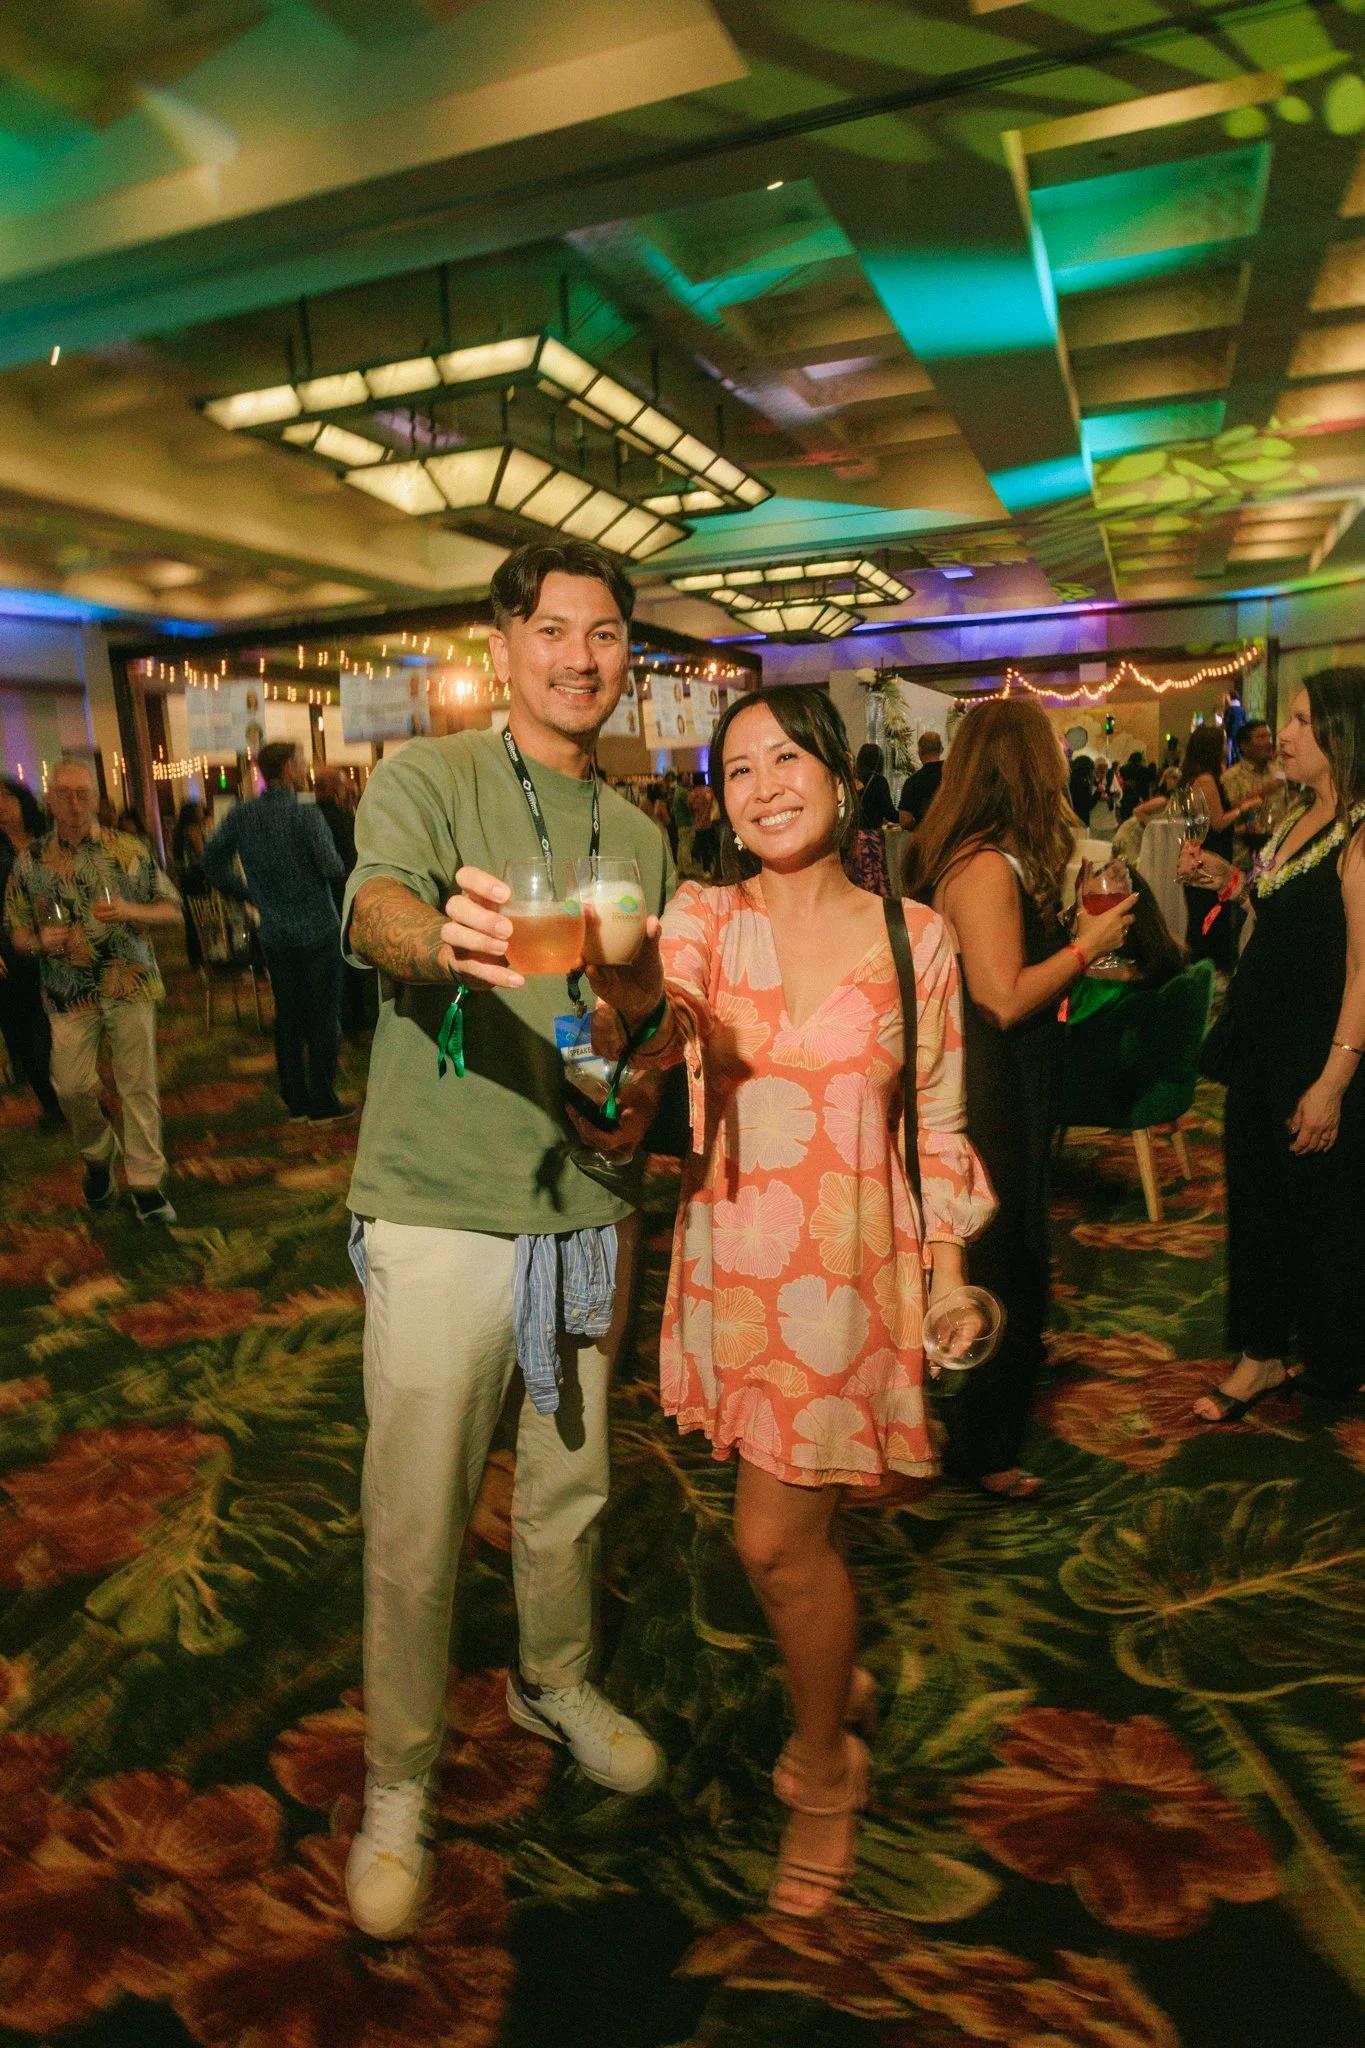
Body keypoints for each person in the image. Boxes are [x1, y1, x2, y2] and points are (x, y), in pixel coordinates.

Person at [588, 683, 994, 1916]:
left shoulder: (913, 934)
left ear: (841, 773)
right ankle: (838, 1683)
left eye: (788, 759)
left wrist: (951, 1275)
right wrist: (630, 996)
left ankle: (825, 1763)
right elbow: (669, 1026)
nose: (763, 785)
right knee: (796, 1538)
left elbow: (938, 1118)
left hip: (851, 1280)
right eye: (739, 768)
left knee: (773, 1541)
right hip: (735, 1269)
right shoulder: (706, 915)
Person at [340, 540, 674, 1942]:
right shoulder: (431, 779)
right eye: (554, 631)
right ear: (506, 639)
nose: (582, 658)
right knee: (416, 1521)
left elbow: (636, 1026)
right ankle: (398, 1782)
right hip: (437, 1204)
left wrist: (632, 1060)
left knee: (571, 1489)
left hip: (584, 1204)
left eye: (605, 636)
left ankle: (554, 1677)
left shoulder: (644, 832)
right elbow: (372, 912)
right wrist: (445, 947)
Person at [905, 700, 1135, 1499]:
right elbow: (1000, 998)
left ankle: (972, 1430)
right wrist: (1085, 947)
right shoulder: (982, 866)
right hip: (989, 1083)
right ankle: (981, 1447)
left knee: (1007, 1248)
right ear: (1028, 768)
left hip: (1002, 1075)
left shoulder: (983, 858)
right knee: (1005, 1255)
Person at [1181, 672, 1365, 1414]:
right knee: (1257, 1206)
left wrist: (1331, 1082)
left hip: (1315, 1055)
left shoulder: (1358, 833)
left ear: (1340, 733)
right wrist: (1229, 879)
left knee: (1318, 1216)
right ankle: (1260, 1353)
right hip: (1262, 1045)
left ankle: (1328, 1359)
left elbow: (1361, 969)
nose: (1279, 734)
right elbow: (1277, 908)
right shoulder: (1298, 812)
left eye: (1297, 721)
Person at [3, 755, 182, 1221]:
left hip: (130, 981)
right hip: (67, 989)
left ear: (98, 800)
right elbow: (17, 931)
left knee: (137, 1087)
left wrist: (131, 911)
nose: (75, 803)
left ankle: (146, 1184)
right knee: (69, 1086)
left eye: (84, 794)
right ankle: (99, 1152)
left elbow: (172, 910)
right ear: (49, 801)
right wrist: (38, 942)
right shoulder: (31, 861)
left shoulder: (128, 849)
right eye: (65, 794)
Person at [203, 743, 351, 1123]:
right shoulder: (306, 814)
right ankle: (322, 1099)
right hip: (318, 926)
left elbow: (212, 862)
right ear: (288, 768)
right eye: (300, 763)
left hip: (275, 931)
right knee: (323, 1017)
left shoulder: (243, 814)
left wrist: (246, 891)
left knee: (287, 1017)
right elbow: (332, 866)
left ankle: (295, 1098)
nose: (304, 770)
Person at [0, 778, 62, 1126]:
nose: (2, 805)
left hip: (56, 943)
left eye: (7, 797)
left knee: (60, 1026)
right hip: (9, 951)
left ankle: (69, 1093)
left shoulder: (47, 841)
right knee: (26, 1033)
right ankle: (51, 1103)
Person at [1176, 724, 1260, 972]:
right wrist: (1246, 808)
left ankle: (1202, 971)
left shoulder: (1194, 777)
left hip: (1199, 852)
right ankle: (1213, 971)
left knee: (1203, 918)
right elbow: (1218, 822)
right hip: (1210, 856)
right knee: (1212, 918)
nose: (1227, 747)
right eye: (1223, 742)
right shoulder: (1206, 779)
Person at [315, 767, 375, 1036]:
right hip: (342, 898)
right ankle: (356, 1020)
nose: (346, 789)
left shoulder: (312, 815)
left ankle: (346, 1019)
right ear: (330, 788)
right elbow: (354, 857)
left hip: (319, 903)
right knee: (351, 964)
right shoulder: (337, 819)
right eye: (342, 785)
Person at [1222, 719, 1288, 867]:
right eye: (1261, 737)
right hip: (1245, 855)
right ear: (1244, 746)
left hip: (1279, 850)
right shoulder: (1232, 776)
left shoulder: (1278, 770)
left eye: (1269, 736)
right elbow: (1229, 809)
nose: (1268, 742)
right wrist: (1263, 792)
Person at [843, 742, 898, 895]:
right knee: (874, 876)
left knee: (857, 879)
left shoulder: (851, 782)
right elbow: (890, 813)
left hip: (853, 838)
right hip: (873, 838)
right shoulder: (879, 781)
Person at [897, 730, 943, 828]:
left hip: (924, 836)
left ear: (920, 751)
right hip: (951, 835)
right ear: (941, 750)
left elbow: (905, 820)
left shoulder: (912, 781)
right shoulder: (953, 775)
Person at [1067, 752, 1096, 828]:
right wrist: (1098, 793)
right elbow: (1088, 805)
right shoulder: (1083, 783)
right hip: (1081, 821)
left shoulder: (1070, 780)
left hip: (1071, 818)